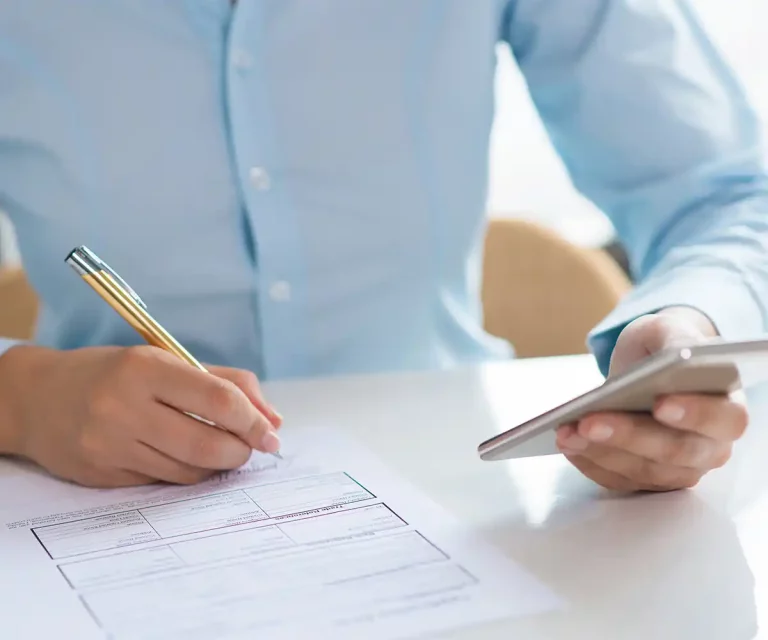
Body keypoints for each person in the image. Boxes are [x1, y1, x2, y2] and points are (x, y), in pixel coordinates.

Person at [0, 1, 760, 492]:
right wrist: (21, 399)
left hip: (456, 498)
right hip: (84, 505)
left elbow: (727, 193)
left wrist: (688, 339)